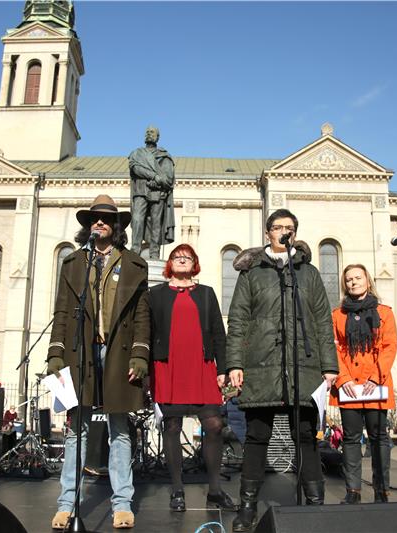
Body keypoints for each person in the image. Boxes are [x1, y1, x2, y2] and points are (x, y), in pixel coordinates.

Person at [226, 209, 338, 532]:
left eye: (289, 227)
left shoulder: (309, 273)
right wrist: (235, 363)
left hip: (303, 364)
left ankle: (315, 504)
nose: (283, 232)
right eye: (278, 227)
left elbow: (322, 321)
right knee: (257, 436)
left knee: (305, 437)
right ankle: (246, 508)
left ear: (295, 232)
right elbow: (238, 320)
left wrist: (329, 366)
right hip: (260, 364)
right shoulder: (252, 273)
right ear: (267, 233)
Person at [46, 194, 150, 530]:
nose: (99, 222)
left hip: (118, 353)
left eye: (106, 218)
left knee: (120, 430)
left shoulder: (134, 263)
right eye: (94, 218)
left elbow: (142, 316)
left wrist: (140, 353)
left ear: (116, 225)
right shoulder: (73, 262)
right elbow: (61, 312)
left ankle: (122, 504)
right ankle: (67, 504)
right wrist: (55, 354)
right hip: (79, 354)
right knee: (76, 431)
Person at [148, 243, 237, 512]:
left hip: (203, 366)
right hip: (168, 367)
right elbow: (148, 333)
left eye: (187, 257)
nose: (182, 260)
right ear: (170, 264)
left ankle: (215, 491)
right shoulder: (155, 294)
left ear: (195, 263)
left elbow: (219, 335)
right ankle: (177, 491)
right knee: (172, 427)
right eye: (177, 256)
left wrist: (222, 369)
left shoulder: (207, 294)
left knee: (214, 425)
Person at [329, 264, 397, 504]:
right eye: (348, 280)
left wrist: (373, 376)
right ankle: (353, 490)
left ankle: (382, 489)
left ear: (368, 280)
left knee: (379, 437)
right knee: (350, 437)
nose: (353, 282)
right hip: (349, 387)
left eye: (358, 278)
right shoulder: (337, 315)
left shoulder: (384, 312)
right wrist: (344, 378)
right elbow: (335, 348)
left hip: (375, 384)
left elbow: (389, 346)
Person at [128, 125, 175, 259]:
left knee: (156, 223)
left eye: (152, 132)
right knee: (137, 219)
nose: (149, 134)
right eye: (147, 132)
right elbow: (135, 168)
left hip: (157, 192)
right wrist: (154, 176)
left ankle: (154, 253)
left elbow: (168, 179)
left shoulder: (164, 157)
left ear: (157, 137)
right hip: (140, 191)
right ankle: (135, 250)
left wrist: (157, 182)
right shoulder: (137, 153)